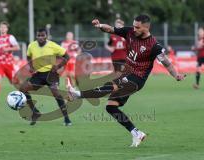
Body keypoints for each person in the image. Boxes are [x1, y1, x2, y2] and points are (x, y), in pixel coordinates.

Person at [68, 14, 186, 147]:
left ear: (146, 28)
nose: (134, 28)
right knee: (111, 107)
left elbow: (167, 63)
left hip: (137, 79)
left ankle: (77, 94)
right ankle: (137, 133)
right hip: (126, 73)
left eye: (137, 27)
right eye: (134, 25)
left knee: (109, 86)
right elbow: (111, 29)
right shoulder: (130, 32)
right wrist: (100, 26)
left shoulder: (154, 46)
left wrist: (176, 75)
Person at [19, 28, 72, 126]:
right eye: (38, 35)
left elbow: (67, 56)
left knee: (55, 92)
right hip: (38, 75)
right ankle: (35, 112)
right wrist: (31, 67)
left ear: (46, 36)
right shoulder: (31, 46)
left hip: (51, 74)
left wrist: (58, 66)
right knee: (23, 89)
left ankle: (67, 118)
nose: (40, 37)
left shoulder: (52, 45)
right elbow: (29, 56)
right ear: (36, 36)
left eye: (42, 35)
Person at [0, 21, 20, 106]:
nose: (2, 28)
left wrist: (8, 49)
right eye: (1, 27)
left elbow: (17, 47)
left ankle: (24, 95)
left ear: (7, 29)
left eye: (4, 27)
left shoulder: (10, 37)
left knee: (13, 82)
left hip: (8, 63)